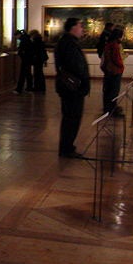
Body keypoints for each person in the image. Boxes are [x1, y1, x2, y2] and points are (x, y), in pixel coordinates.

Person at [54, 17, 90, 158]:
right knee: (71, 118)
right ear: (73, 28)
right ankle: (66, 148)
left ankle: (68, 146)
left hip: (71, 87)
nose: (82, 29)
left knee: (71, 118)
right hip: (72, 88)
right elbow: (75, 66)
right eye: (80, 26)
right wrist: (83, 80)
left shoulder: (68, 42)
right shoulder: (68, 43)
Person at [101, 27, 125, 116]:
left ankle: (107, 108)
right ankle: (111, 109)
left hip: (109, 71)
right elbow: (116, 59)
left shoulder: (108, 44)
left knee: (108, 90)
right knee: (114, 91)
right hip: (115, 71)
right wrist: (121, 65)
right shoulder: (114, 45)